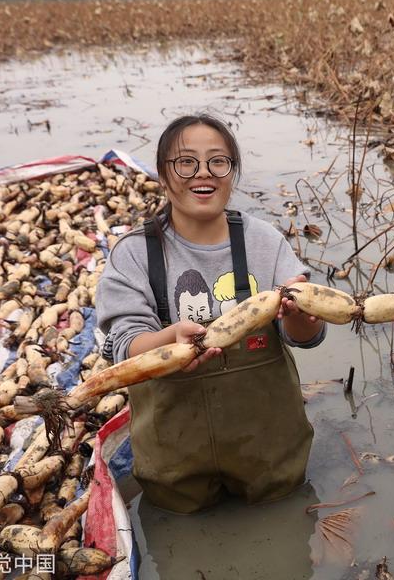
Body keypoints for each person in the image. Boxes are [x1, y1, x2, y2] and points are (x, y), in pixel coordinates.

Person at [96, 114, 326, 514]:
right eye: (186, 162)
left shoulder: (265, 242)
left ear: (231, 173)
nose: (203, 173)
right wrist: (167, 343)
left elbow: (307, 337)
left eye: (218, 161)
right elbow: (124, 346)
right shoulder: (133, 253)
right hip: (174, 461)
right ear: (163, 176)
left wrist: (300, 315)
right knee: (176, 522)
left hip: (271, 453)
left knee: (285, 517)